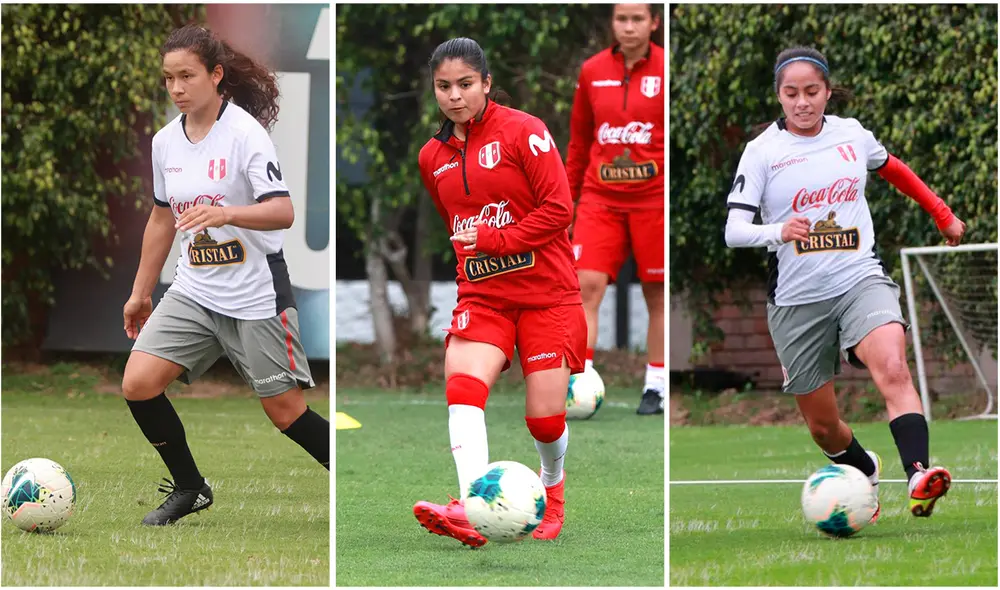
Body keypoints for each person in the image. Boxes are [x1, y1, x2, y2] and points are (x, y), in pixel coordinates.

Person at [724, 47, 966, 519]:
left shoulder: (852, 134)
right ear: (779, 96)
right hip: (796, 300)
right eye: (791, 93)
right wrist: (779, 230)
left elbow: (892, 168)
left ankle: (918, 475)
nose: (802, 102)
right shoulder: (762, 152)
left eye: (812, 91)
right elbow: (734, 232)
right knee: (823, 426)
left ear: (828, 92)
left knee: (893, 365)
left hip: (859, 278)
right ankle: (864, 470)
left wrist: (942, 213)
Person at [121, 24, 330, 527]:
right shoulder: (165, 142)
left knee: (286, 412)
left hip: (255, 296)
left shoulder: (244, 134)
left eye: (187, 76)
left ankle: (352, 477)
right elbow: (161, 218)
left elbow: (282, 212)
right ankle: (191, 488)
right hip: (194, 290)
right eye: (169, 78)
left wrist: (226, 213)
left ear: (216, 75)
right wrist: (140, 293)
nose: (176, 88)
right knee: (138, 384)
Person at [413, 37, 586, 547]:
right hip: (483, 296)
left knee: (545, 420)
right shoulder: (431, 157)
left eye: (465, 84)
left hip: (548, 294)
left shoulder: (524, 131)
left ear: (486, 83)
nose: (454, 96)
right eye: (443, 86)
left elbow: (560, 210)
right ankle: (474, 508)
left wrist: (497, 240)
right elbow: (457, 227)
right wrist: (477, 261)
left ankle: (552, 491)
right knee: (463, 390)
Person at [565, 3, 665, 415]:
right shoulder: (592, 71)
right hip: (599, 198)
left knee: (657, 293)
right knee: (584, 287)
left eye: (637, 19)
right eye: (621, 19)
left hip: (654, 200)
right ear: (613, 23)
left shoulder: (666, 69)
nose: (629, 27)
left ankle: (656, 387)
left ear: (653, 23)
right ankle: (578, 381)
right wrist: (566, 202)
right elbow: (579, 141)